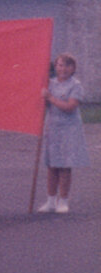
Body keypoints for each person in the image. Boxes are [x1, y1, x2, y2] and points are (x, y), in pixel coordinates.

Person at [38, 54, 90, 214]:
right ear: (56, 66)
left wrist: (50, 98)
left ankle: (63, 200)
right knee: (52, 165)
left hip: (69, 129)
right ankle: (50, 201)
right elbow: (42, 103)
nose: (63, 69)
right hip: (52, 128)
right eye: (60, 65)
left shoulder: (76, 85)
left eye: (67, 66)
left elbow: (70, 107)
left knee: (64, 166)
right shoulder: (49, 83)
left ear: (73, 68)